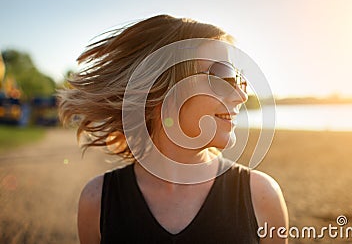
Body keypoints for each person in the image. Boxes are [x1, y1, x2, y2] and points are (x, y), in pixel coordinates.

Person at [58, 14, 288, 244]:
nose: (242, 95)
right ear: (163, 88)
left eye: (239, 79)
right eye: (223, 75)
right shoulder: (97, 200)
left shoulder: (261, 195)